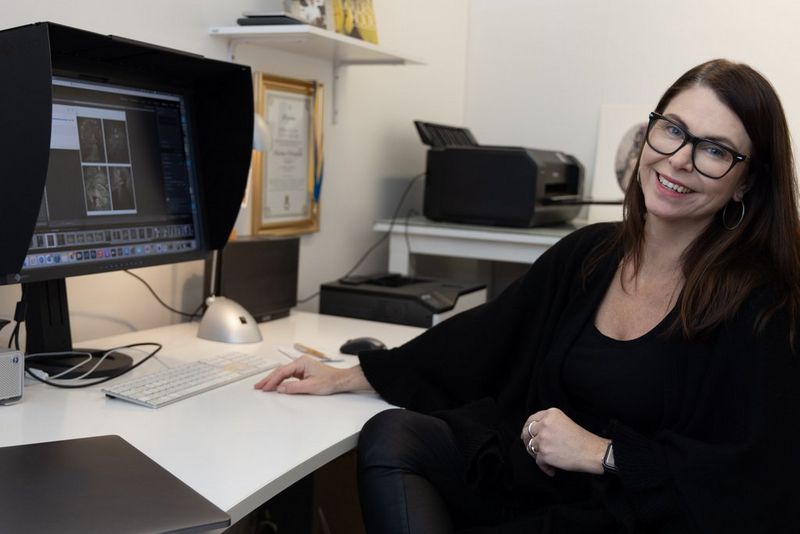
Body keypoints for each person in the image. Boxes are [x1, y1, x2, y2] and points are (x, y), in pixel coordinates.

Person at [255, 59, 800, 533]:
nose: (680, 159)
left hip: (635, 517)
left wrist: (602, 455)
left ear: (747, 182)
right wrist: (355, 373)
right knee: (394, 436)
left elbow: (750, 482)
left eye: (715, 150)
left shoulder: (760, 305)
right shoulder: (591, 253)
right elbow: (488, 334)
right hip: (542, 487)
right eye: (673, 130)